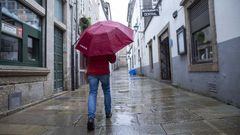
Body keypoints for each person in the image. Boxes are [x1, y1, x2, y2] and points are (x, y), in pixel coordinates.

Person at [86, 54, 116, 131]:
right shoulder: (107, 44)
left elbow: (85, 55)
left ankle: (91, 118)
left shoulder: (90, 44)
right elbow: (113, 60)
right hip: (104, 72)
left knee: (92, 93)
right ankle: (108, 113)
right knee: (106, 91)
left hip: (92, 72)